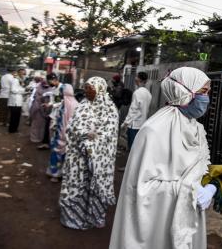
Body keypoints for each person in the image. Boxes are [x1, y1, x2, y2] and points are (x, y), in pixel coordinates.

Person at [109, 67, 216, 249]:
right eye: (202, 92)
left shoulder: (195, 128)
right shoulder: (153, 130)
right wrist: (189, 190)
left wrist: (209, 185)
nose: (206, 99)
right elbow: (141, 189)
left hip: (188, 214)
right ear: (184, 92)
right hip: (157, 225)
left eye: (207, 93)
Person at [59, 77, 118, 230]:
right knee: (77, 186)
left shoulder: (110, 109)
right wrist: (85, 136)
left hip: (98, 160)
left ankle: (95, 218)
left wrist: (91, 145)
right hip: (78, 159)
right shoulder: (82, 106)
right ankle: (74, 220)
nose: (85, 91)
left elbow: (108, 135)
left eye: (89, 88)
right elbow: (71, 128)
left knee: (95, 187)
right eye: (85, 88)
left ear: (99, 89)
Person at [118, 72, 152, 171]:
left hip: (134, 124)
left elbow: (133, 110)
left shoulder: (137, 93)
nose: (135, 78)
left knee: (132, 148)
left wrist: (125, 123)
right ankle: (134, 168)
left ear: (139, 79)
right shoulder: (148, 94)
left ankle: (129, 168)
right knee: (137, 147)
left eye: (136, 76)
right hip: (141, 124)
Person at [46, 84, 78, 182]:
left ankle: (60, 174)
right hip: (59, 133)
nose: (59, 94)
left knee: (65, 154)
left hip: (68, 135)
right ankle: (54, 172)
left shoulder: (75, 105)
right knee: (56, 152)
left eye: (61, 91)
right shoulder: (63, 103)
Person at [38, 73, 63, 150]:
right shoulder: (53, 88)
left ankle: (55, 145)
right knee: (49, 125)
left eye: (49, 82)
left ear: (54, 80)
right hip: (54, 111)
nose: (49, 84)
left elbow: (63, 101)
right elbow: (54, 100)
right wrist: (48, 104)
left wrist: (52, 105)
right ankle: (47, 143)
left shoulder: (62, 88)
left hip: (61, 112)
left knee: (56, 128)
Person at [29, 78, 51, 143]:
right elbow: (36, 99)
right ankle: (34, 138)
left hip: (45, 110)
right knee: (36, 125)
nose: (45, 86)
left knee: (42, 126)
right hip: (38, 109)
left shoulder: (49, 90)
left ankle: (40, 138)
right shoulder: (38, 89)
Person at [8, 68, 27, 133]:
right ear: (19, 73)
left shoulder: (21, 80)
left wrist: (25, 91)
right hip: (15, 102)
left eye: (24, 73)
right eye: (23, 73)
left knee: (17, 116)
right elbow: (13, 90)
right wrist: (22, 91)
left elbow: (20, 89)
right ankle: (12, 130)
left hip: (18, 101)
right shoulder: (15, 80)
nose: (24, 74)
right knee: (14, 117)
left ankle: (15, 129)